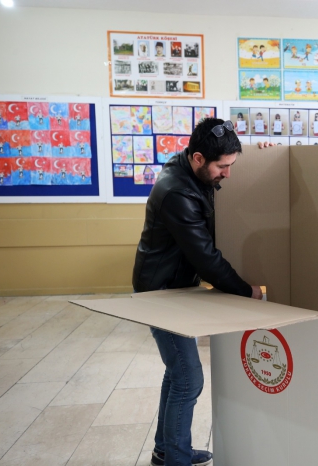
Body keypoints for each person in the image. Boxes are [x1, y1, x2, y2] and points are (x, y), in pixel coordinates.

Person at [133, 118, 264, 466]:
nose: (228, 174)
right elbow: (206, 259)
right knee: (188, 379)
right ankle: (175, 459)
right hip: (159, 293)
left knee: (177, 372)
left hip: (177, 287)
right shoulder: (177, 193)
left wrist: (265, 153)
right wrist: (245, 291)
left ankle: (166, 449)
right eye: (223, 167)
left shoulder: (193, 171)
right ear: (198, 159)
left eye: (232, 165)